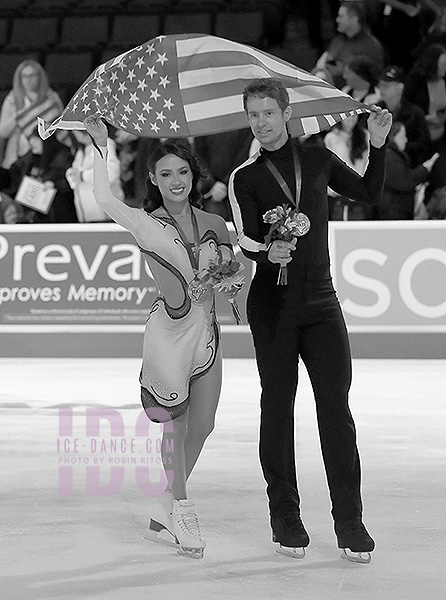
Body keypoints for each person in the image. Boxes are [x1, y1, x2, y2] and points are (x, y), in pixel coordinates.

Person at [228, 77, 392, 563]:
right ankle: (285, 515)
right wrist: (265, 250)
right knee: (277, 410)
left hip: (321, 302)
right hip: (273, 305)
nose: (260, 123)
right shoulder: (245, 177)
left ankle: (350, 520)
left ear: (286, 113)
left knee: (335, 412)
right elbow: (245, 238)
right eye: (252, 115)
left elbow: (368, 193)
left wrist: (377, 146)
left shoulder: (317, 158)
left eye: (267, 113)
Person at [84, 114, 236, 559]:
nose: (175, 181)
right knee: (178, 424)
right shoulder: (146, 224)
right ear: (152, 177)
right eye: (165, 173)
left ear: (194, 175)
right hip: (168, 336)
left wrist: (235, 283)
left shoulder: (215, 222)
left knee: (203, 425)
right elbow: (101, 197)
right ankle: (183, 508)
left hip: (207, 334)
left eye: (183, 172)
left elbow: (232, 272)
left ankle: (163, 506)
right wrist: (101, 145)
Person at [0, 60, 63, 173]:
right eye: (24, 76)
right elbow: (3, 132)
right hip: (18, 158)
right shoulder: (12, 99)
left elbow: (62, 125)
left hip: (48, 156)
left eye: (32, 75)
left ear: (40, 77)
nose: (28, 80)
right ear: (19, 79)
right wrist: (19, 116)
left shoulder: (51, 98)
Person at [403, 44, 446, 198]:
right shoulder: (416, 81)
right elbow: (408, 106)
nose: (445, 68)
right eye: (442, 64)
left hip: (441, 136)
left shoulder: (444, 81)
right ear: (433, 63)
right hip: (420, 136)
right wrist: (424, 118)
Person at [313, 1, 385, 88]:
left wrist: (343, 71)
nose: (337, 20)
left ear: (354, 19)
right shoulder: (337, 41)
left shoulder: (371, 46)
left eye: (341, 17)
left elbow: (374, 76)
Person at [379, 121, 439, 219]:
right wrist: (424, 169)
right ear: (393, 137)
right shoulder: (390, 158)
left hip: (396, 211)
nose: (406, 140)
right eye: (403, 136)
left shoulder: (391, 156)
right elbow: (405, 181)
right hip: (393, 213)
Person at [377, 65, 431, 169]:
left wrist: (402, 147)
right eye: (380, 85)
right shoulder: (375, 111)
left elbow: (424, 145)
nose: (381, 89)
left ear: (400, 88)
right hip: (378, 165)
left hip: (406, 166)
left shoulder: (415, 114)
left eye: (386, 86)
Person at [65, 128, 122, 222]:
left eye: (76, 133)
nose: (75, 136)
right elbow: (75, 174)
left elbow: (111, 172)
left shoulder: (104, 144)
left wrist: (83, 176)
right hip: (86, 213)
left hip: (105, 214)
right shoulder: (82, 151)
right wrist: (71, 174)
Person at [323, 113, 371, 219]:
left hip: (359, 195)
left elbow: (368, 162)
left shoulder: (365, 135)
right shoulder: (331, 138)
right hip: (339, 197)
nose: (351, 120)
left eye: (354, 116)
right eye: (347, 116)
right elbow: (330, 168)